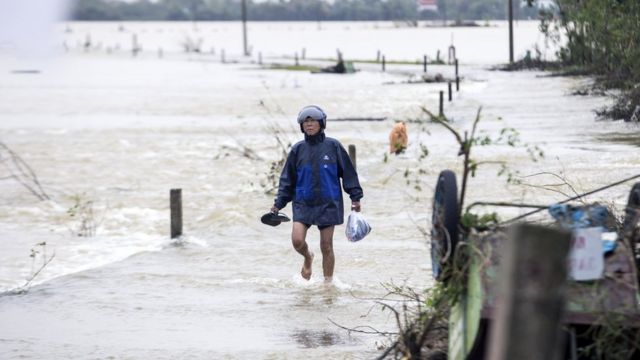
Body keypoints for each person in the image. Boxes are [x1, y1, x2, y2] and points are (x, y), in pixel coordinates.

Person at [270, 105, 363, 282]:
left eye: (313, 121)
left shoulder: (333, 146)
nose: (309, 125)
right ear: (302, 126)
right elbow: (287, 180)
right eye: (306, 122)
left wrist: (355, 197)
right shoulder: (297, 150)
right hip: (303, 203)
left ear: (321, 123)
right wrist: (278, 204)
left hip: (329, 203)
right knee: (297, 241)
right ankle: (308, 257)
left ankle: (328, 285)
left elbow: (349, 174)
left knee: (326, 246)